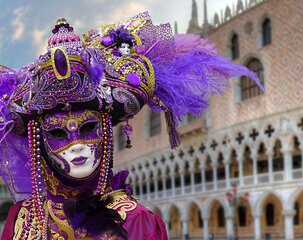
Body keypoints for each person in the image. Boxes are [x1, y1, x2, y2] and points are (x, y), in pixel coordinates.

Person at [0, 12, 262, 239]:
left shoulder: (136, 221)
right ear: (38, 141)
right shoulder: (21, 218)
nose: (77, 145)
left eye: (88, 128)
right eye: (57, 133)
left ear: (105, 131)